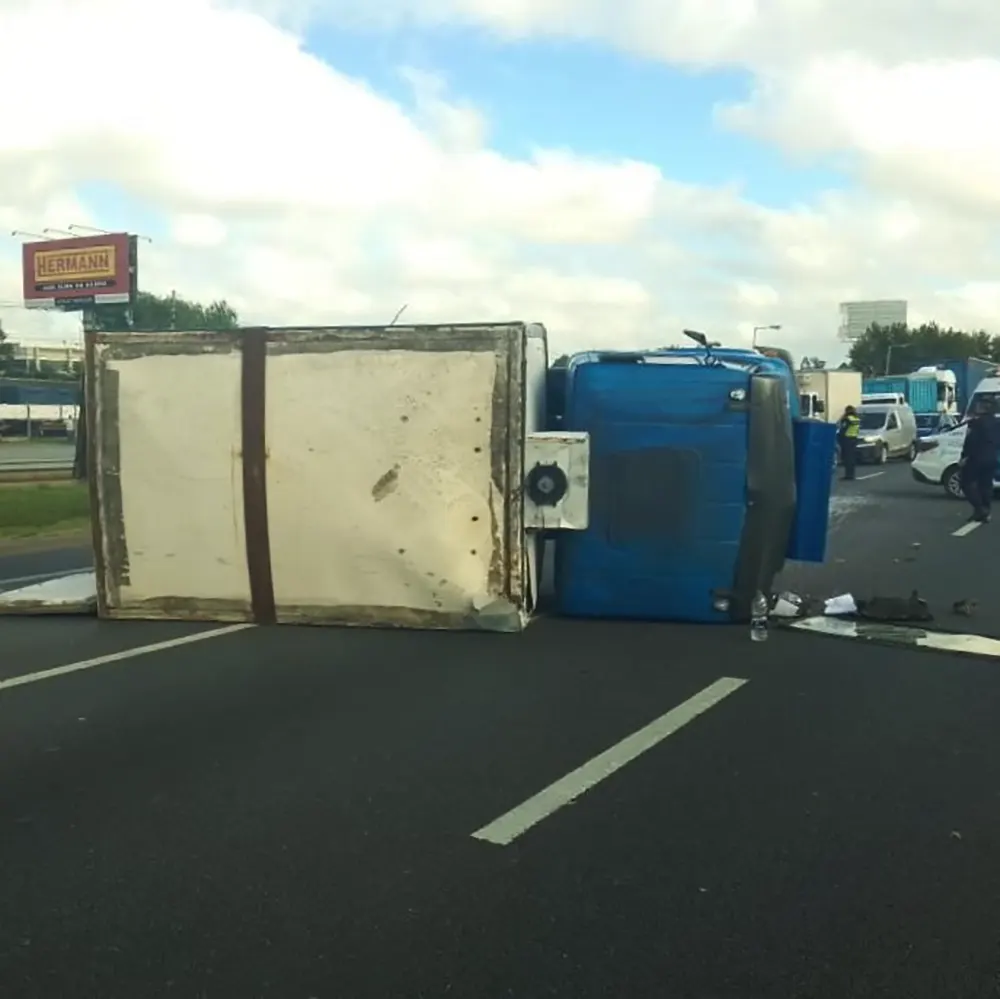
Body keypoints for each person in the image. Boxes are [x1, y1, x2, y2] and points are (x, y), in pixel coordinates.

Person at [959, 397, 1000, 522]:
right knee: (986, 485)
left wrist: (964, 457)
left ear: (984, 408)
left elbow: (970, 441)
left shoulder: (975, 423)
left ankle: (980, 508)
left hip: (976, 458)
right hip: (992, 457)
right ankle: (985, 512)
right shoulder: (997, 423)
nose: (977, 406)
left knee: (966, 482)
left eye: (979, 405)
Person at [837, 404, 860, 480]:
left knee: (847, 458)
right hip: (854, 439)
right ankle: (852, 474)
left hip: (847, 439)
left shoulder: (847, 419)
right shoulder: (856, 419)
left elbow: (843, 428)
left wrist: (839, 438)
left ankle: (848, 475)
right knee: (852, 458)